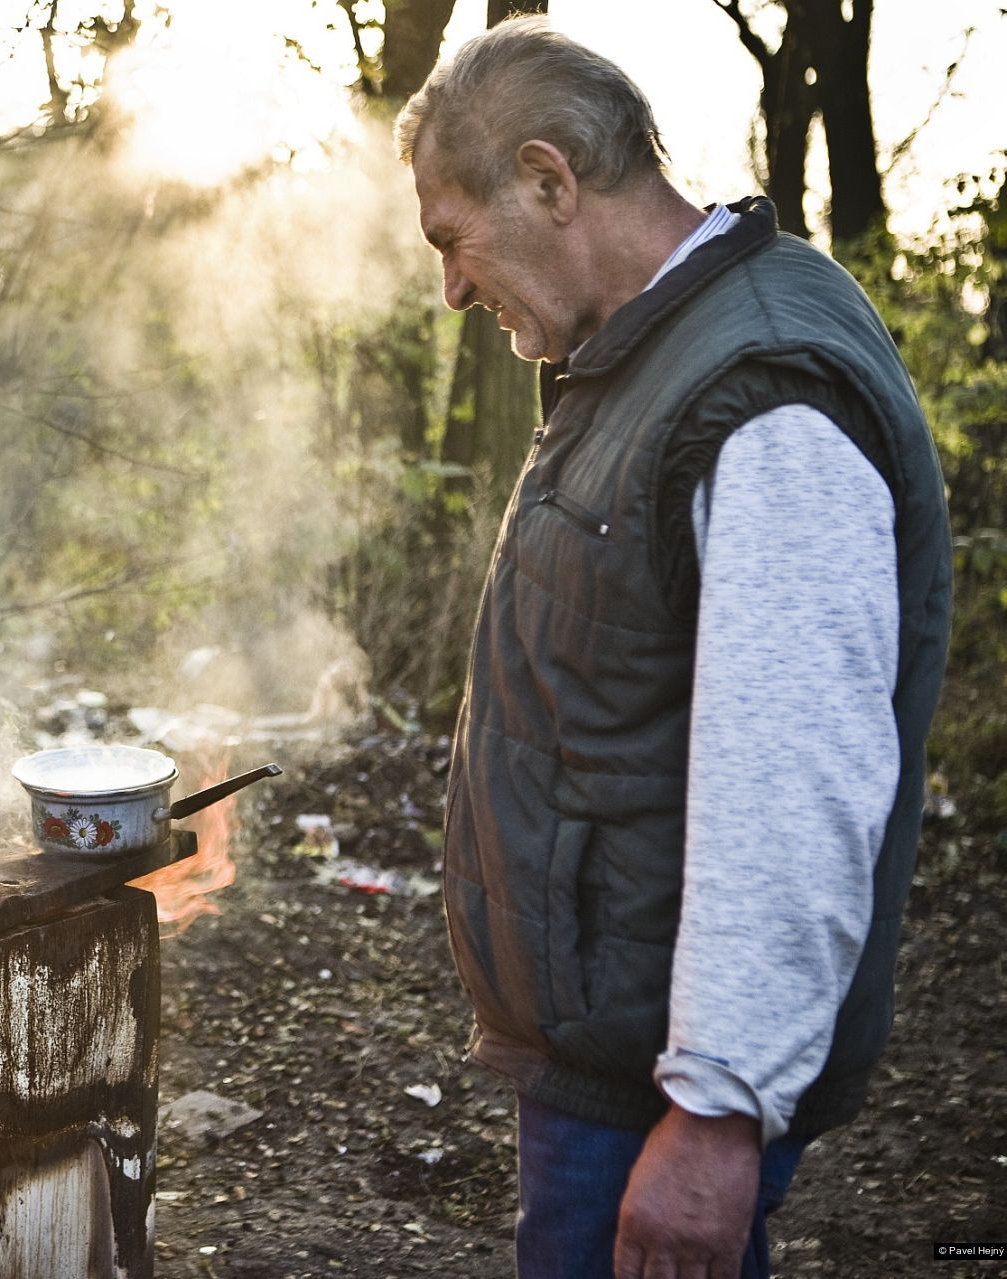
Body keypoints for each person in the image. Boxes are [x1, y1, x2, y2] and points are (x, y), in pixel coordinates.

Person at [392, 18, 952, 1279]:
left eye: (451, 239)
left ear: (548, 180)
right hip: (612, 1052)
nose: (454, 288)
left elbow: (793, 781)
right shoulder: (653, 353)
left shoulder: (763, 393)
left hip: (657, 1092)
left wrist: (716, 1111)